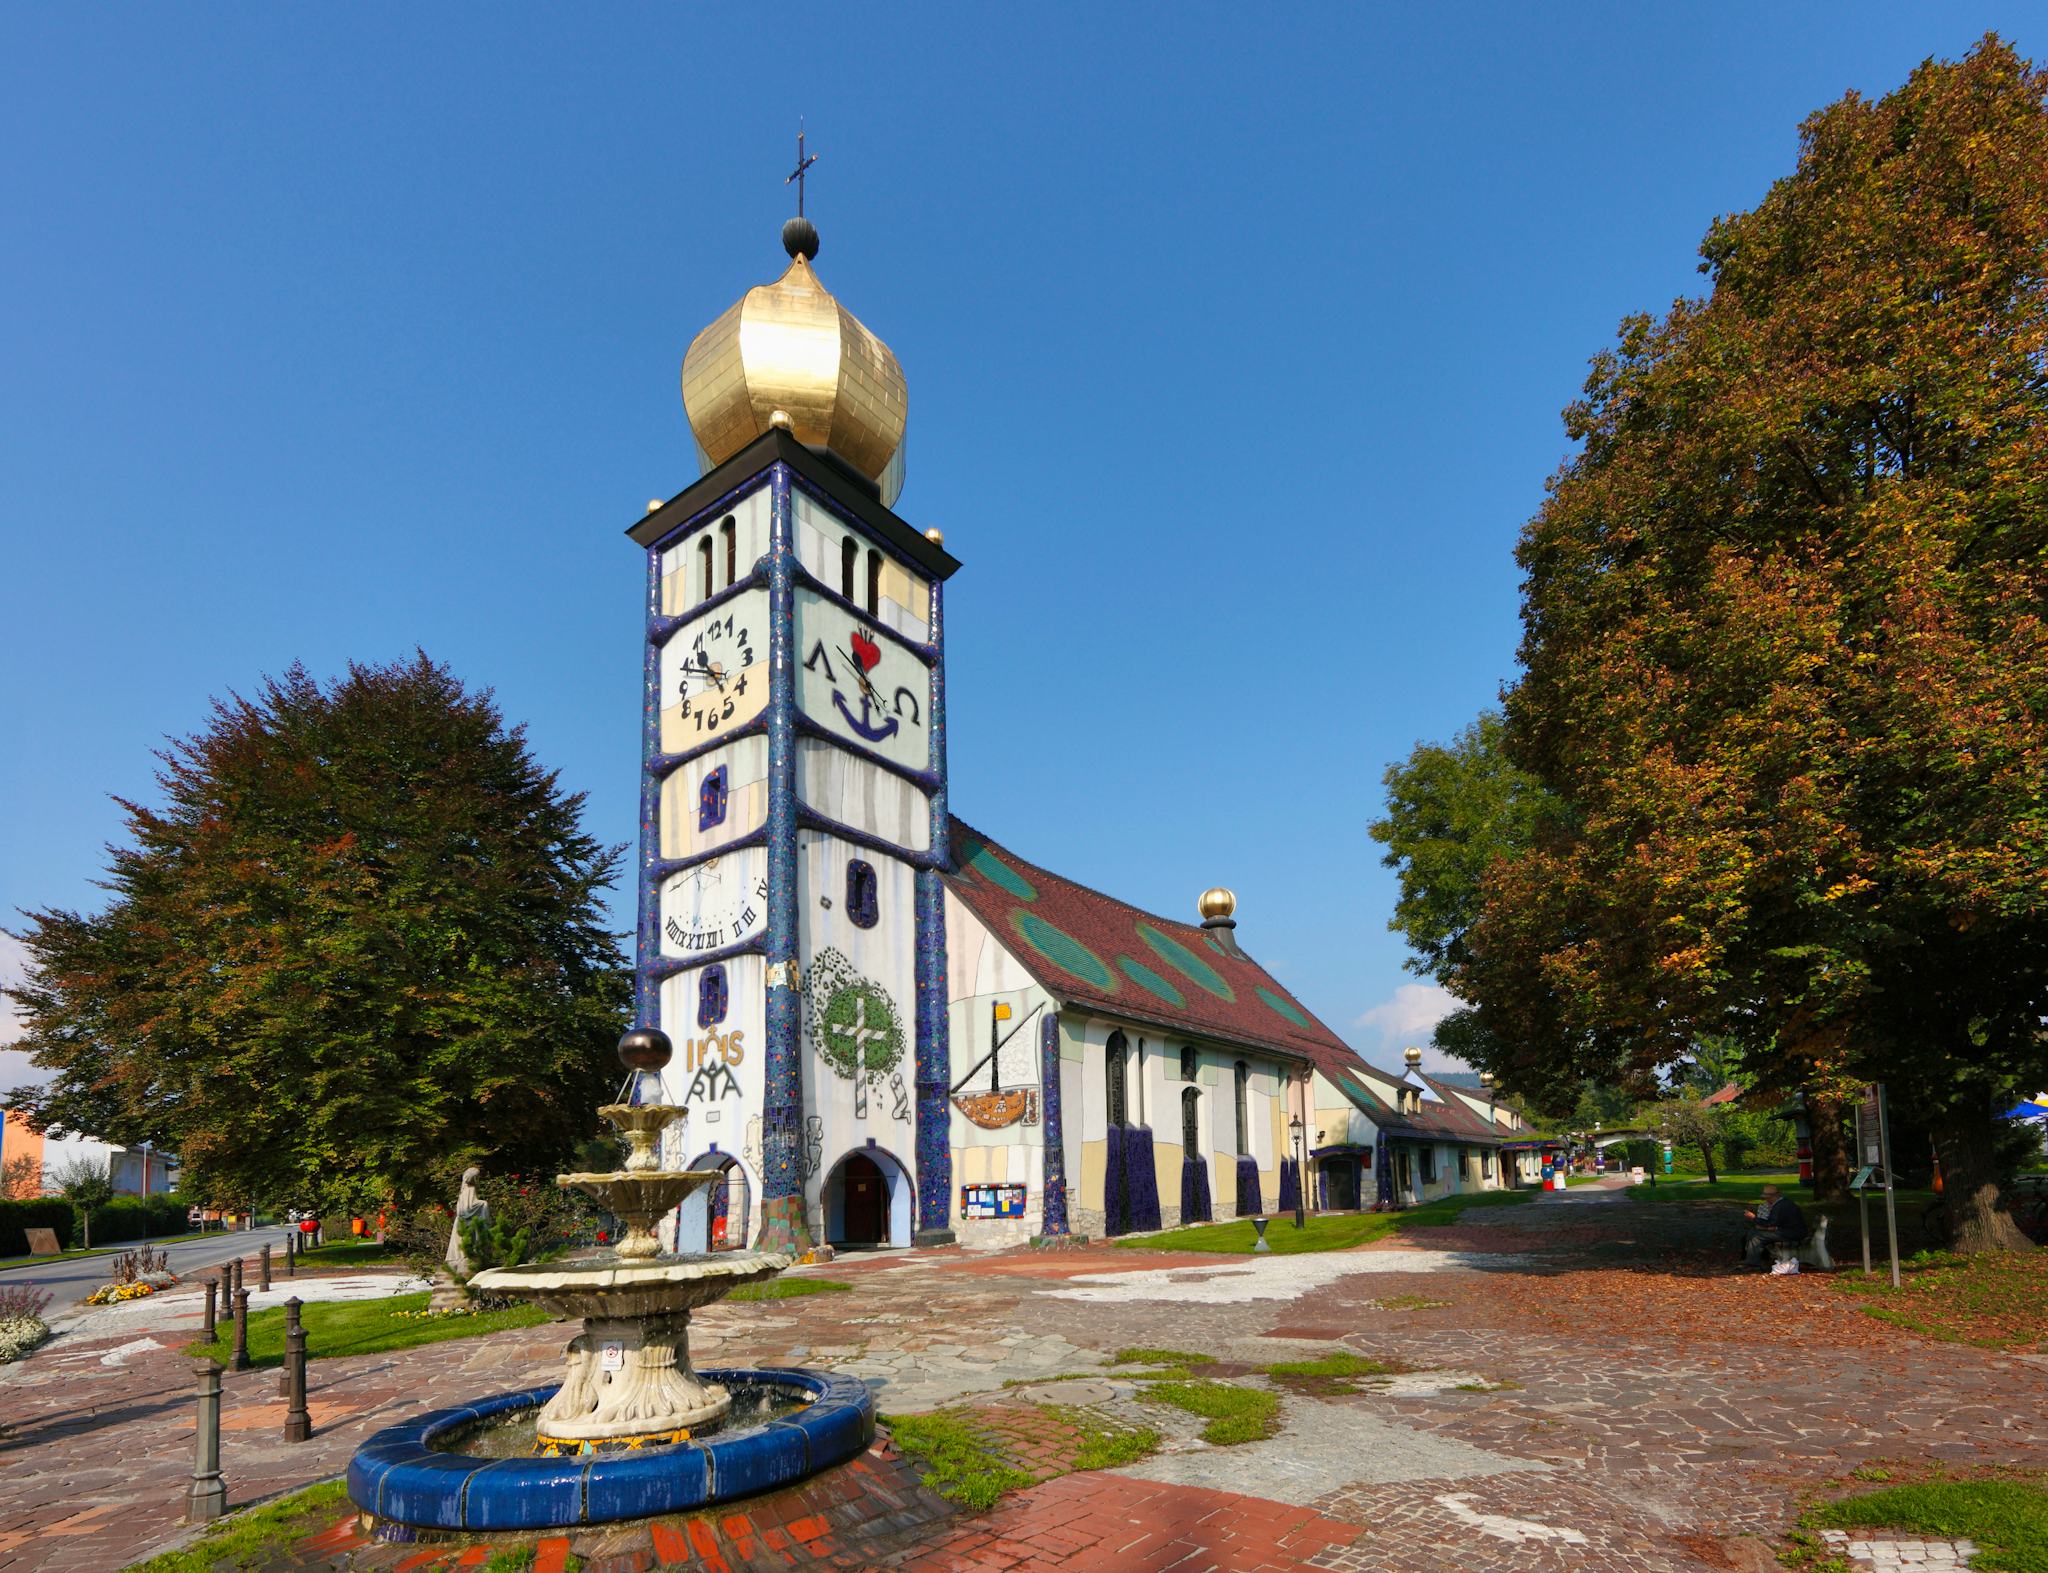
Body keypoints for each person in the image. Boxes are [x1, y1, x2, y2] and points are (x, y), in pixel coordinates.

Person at [1741, 1184, 1807, 1269]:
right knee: (1753, 1233)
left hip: (1791, 1233)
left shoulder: (1780, 1206)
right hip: (1789, 1230)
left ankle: (1753, 1263)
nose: (1766, 1200)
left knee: (1756, 1236)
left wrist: (1754, 1218)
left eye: (1767, 1198)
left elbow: (1771, 1223)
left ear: (1773, 1196)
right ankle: (1754, 1259)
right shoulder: (1783, 1203)